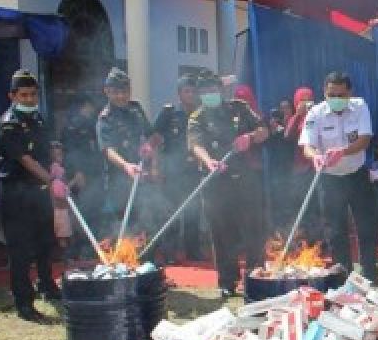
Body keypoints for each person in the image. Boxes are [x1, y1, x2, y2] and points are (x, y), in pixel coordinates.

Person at [187, 71, 269, 299]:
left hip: (245, 179)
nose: (209, 94)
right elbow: (196, 145)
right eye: (204, 92)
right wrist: (208, 161)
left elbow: (265, 130)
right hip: (216, 182)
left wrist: (249, 138)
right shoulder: (197, 117)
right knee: (222, 233)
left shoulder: (239, 108)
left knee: (254, 230)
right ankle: (227, 281)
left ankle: (256, 278)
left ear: (221, 90)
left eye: (212, 90)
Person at [299, 71, 378, 281]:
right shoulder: (315, 113)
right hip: (329, 179)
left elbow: (364, 140)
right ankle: (343, 273)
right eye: (331, 95)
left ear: (349, 93)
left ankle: (370, 271)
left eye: (340, 95)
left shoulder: (359, 106)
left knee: (367, 224)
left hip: (356, 174)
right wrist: (315, 156)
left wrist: (343, 151)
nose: (335, 99)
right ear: (325, 93)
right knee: (335, 228)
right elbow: (307, 145)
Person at [0, 70, 62, 322]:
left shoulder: (38, 118)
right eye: (23, 95)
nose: (29, 99)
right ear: (11, 96)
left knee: (45, 242)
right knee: (20, 250)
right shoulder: (8, 124)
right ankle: (23, 301)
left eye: (33, 94)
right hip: (16, 193)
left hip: (39, 191)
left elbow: (47, 148)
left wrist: (56, 163)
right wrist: (52, 179)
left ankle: (47, 285)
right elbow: (26, 160)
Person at [95, 67, 154, 239]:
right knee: (123, 224)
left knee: (146, 220)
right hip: (118, 179)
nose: (121, 96)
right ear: (107, 91)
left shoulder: (136, 109)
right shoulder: (105, 118)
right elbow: (108, 150)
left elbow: (153, 135)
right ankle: (125, 261)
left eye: (125, 91)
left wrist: (149, 145)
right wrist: (126, 165)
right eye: (116, 92)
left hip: (142, 174)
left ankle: (144, 261)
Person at [153, 73, 204, 261]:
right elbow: (155, 141)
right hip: (172, 171)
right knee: (171, 212)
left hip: (193, 171)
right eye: (186, 91)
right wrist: (156, 168)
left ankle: (194, 251)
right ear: (179, 94)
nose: (190, 94)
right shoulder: (169, 113)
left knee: (193, 212)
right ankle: (169, 252)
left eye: (193, 91)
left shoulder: (201, 113)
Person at [59, 94, 102, 256]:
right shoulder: (73, 126)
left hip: (93, 174)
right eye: (90, 106)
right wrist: (77, 172)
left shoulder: (91, 124)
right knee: (81, 213)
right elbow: (70, 151)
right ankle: (78, 250)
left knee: (93, 211)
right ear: (85, 105)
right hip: (80, 176)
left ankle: (90, 248)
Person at [283, 87, 323, 242]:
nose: (306, 103)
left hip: (317, 165)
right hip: (300, 168)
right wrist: (298, 115)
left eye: (309, 99)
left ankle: (320, 240)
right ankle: (306, 239)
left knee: (317, 204)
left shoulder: (319, 115)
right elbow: (287, 135)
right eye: (302, 100)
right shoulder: (296, 118)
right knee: (301, 203)